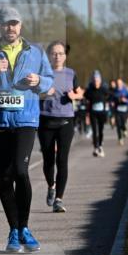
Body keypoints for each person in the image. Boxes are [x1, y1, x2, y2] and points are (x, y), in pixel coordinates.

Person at [0, 6, 53, 253]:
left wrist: (39, 81)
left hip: (26, 120)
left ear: (20, 25)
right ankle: (14, 230)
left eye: (14, 23)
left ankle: (24, 227)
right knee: (5, 178)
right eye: (6, 23)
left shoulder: (36, 51)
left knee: (21, 172)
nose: (11, 27)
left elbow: (49, 81)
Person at [38, 41, 83, 213]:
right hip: (46, 121)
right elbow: (31, 93)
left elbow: (80, 92)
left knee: (62, 160)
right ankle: (51, 186)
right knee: (48, 160)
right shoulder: (41, 73)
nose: (57, 56)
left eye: (61, 53)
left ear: (65, 56)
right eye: (54, 53)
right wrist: (43, 93)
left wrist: (74, 96)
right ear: (49, 55)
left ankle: (59, 199)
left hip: (65, 121)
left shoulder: (71, 73)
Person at [84, 71, 109, 157]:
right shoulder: (89, 90)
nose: (96, 82)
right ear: (92, 81)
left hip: (102, 113)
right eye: (94, 80)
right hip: (93, 113)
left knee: (101, 130)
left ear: (100, 81)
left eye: (97, 80)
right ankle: (95, 148)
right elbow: (86, 100)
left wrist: (108, 103)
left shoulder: (104, 89)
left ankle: (100, 146)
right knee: (95, 131)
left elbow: (109, 96)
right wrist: (87, 115)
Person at [111, 77, 128, 145]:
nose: (119, 84)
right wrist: (112, 102)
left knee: (122, 123)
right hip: (117, 110)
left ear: (122, 83)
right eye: (118, 83)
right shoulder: (115, 91)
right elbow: (112, 99)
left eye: (120, 83)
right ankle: (120, 139)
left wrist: (126, 100)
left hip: (124, 110)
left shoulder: (125, 90)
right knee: (118, 125)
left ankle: (124, 129)